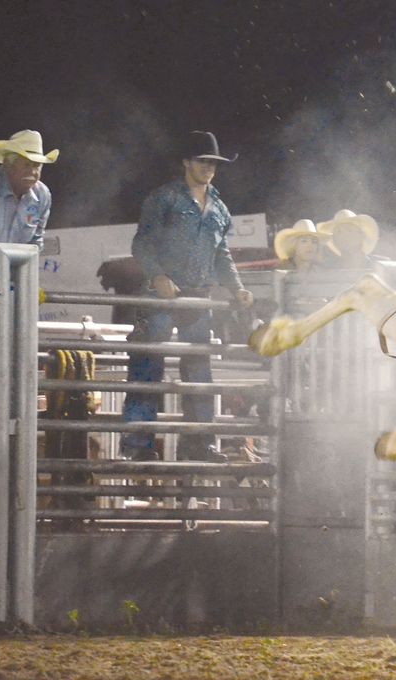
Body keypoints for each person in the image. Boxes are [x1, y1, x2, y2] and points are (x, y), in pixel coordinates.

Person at [121, 131, 253, 462]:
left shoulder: (219, 209)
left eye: (212, 162)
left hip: (198, 296)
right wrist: (158, 275)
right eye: (202, 161)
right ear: (186, 163)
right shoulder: (164, 199)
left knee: (198, 368)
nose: (208, 167)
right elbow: (143, 243)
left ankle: (199, 442)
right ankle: (139, 444)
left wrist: (236, 287)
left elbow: (222, 254)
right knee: (149, 362)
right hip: (160, 294)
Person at [0, 129, 58, 247]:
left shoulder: (42, 195)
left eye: (37, 166)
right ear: (8, 164)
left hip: (15, 265)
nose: (33, 172)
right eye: (27, 165)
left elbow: (36, 242)